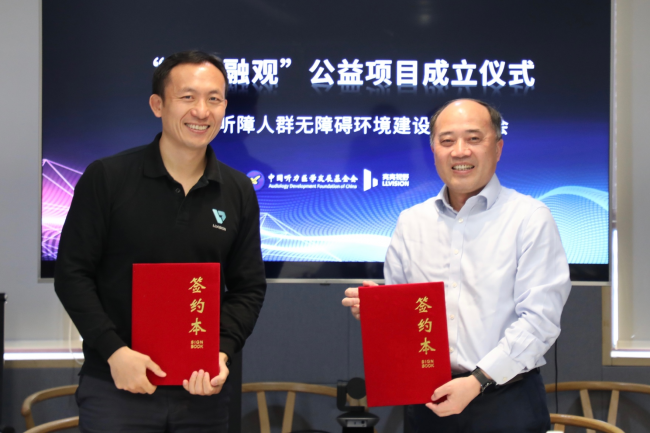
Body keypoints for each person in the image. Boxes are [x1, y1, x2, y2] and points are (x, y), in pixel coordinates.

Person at [54, 50, 266, 432]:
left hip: (202, 391)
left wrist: (222, 351)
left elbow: (248, 287)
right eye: (187, 97)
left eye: (214, 99)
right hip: (117, 386)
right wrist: (114, 352)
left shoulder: (238, 190)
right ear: (157, 105)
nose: (201, 111)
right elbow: (71, 274)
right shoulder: (107, 178)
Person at [342, 99, 571, 432]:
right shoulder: (411, 221)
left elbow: (540, 321)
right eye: (447, 140)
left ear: (498, 147)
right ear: (433, 149)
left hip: (506, 400)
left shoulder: (529, 218)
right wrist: (380, 311)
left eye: (474, 138)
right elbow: (408, 320)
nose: (460, 151)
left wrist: (478, 381)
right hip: (427, 401)